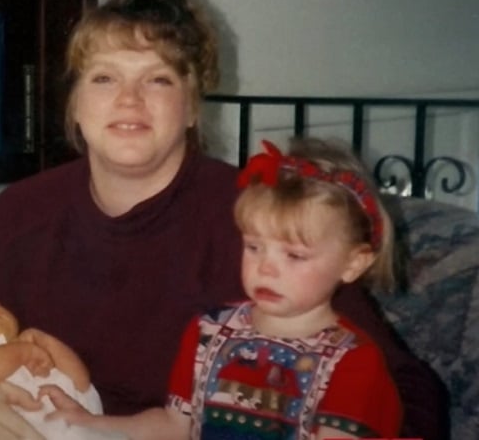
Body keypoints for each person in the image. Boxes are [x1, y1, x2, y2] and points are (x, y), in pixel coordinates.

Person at [0, 0, 447, 440]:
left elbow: (404, 388)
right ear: (74, 104)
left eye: (158, 79)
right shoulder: (18, 215)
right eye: (104, 78)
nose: (129, 100)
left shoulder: (256, 219)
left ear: (191, 104)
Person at [44, 138, 402, 439]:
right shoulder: (210, 329)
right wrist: (92, 424)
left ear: (354, 263)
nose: (266, 267)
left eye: (294, 255)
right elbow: (174, 424)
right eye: (254, 247)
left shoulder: (354, 362)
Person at [0, 289, 123, 440]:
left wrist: (47, 343)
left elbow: (81, 381)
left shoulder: (25, 345)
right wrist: (25, 351)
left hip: (85, 425)